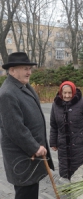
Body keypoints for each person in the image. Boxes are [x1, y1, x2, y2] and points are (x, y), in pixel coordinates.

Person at [0, 52, 54, 199]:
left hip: (29, 154)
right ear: (12, 70)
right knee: (26, 193)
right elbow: (15, 128)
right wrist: (34, 147)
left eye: (29, 68)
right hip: (22, 158)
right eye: (25, 68)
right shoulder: (8, 93)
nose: (29, 72)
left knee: (31, 190)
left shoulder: (22, 85)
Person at [49, 81, 83, 180]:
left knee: (82, 170)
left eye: (70, 93)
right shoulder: (55, 105)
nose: (67, 96)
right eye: (65, 93)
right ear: (61, 93)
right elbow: (53, 126)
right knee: (66, 170)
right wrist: (53, 142)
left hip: (81, 143)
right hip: (63, 144)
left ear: (74, 92)